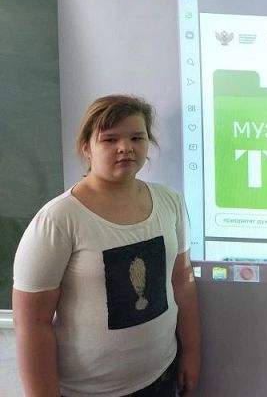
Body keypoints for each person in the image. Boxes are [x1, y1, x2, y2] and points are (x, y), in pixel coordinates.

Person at [13, 95, 201, 396]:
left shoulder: (170, 202)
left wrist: (191, 352)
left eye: (136, 137)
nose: (125, 147)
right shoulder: (58, 219)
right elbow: (32, 324)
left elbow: (182, 280)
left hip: (162, 376)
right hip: (89, 391)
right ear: (86, 147)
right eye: (110, 139)